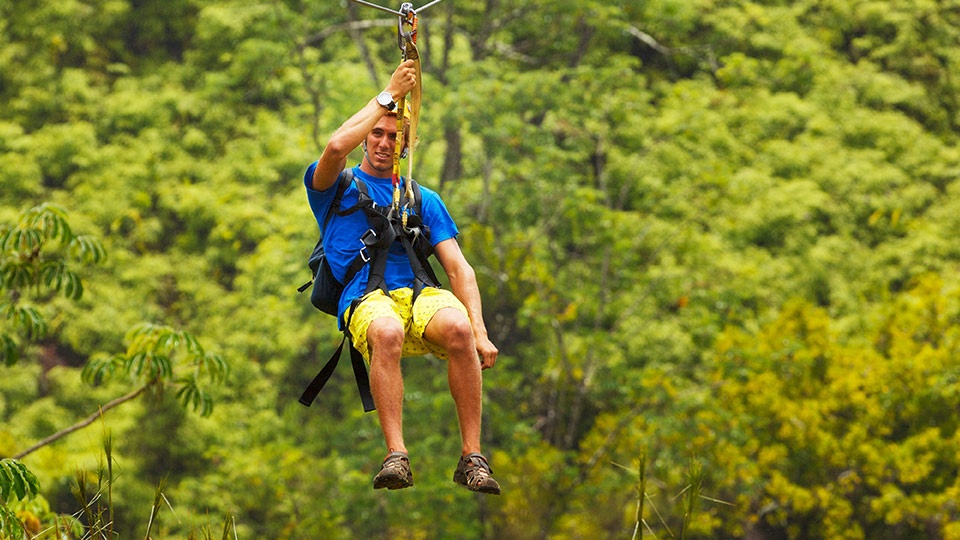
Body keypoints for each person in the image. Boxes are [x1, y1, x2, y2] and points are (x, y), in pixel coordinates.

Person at [303, 59, 501, 495]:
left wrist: (480, 331)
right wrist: (389, 95)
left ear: (405, 146)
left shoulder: (420, 197)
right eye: (378, 133)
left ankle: (473, 457)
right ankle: (397, 455)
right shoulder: (335, 187)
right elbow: (335, 147)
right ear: (366, 137)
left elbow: (457, 267)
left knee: (458, 327)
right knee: (388, 332)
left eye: (395, 137)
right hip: (366, 297)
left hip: (417, 292)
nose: (384, 142)